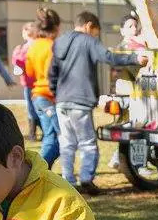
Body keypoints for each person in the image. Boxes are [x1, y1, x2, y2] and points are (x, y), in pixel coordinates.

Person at [49, 11, 146, 195]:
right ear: (88, 26)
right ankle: (86, 179)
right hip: (81, 100)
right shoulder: (87, 41)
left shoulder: (60, 41)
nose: (96, 36)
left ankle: (67, 180)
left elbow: (51, 72)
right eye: (96, 32)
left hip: (62, 100)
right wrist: (134, 59)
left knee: (67, 143)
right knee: (87, 143)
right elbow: (108, 57)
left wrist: (56, 93)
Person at [108, 14, 148, 171]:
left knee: (127, 128)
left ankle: (117, 159)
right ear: (122, 30)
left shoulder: (130, 46)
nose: (134, 29)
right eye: (130, 26)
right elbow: (137, 68)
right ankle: (140, 166)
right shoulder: (126, 48)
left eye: (135, 26)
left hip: (128, 92)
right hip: (130, 93)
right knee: (137, 129)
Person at [25, 6, 62, 169]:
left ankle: (41, 170)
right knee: (64, 138)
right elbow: (54, 73)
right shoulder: (53, 46)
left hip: (37, 96)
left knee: (49, 137)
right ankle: (37, 170)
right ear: (56, 27)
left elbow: (29, 72)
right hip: (50, 96)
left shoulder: (33, 46)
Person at [12, 22, 41, 141]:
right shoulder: (36, 46)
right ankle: (35, 133)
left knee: (32, 108)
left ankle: (33, 134)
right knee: (36, 108)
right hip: (34, 83)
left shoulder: (25, 48)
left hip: (33, 83)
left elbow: (17, 62)